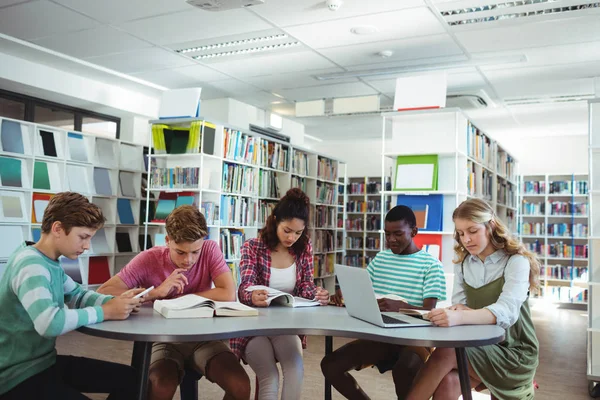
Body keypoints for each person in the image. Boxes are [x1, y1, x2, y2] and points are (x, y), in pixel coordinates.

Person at [0, 192, 143, 400]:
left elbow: (77, 295)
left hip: (43, 364)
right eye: (83, 237)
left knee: (132, 379)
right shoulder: (31, 265)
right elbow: (50, 323)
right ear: (57, 228)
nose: (86, 246)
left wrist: (118, 303)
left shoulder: (49, 262)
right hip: (17, 377)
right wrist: (105, 311)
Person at [98, 205, 250, 400]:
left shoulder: (210, 249)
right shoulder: (149, 258)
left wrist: (181, 300)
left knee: (241, 386)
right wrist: (156, 293)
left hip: (203, 338)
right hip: (164, 339)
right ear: (167, 240)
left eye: (195, 251)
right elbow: (105, 292)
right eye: (181, 252)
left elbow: (228, 293)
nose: (189, 260)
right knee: (162, 386)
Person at [406, 198, 540, 400]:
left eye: (472, 231)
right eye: (460, 233)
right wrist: (455, 314)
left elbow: (507, 312)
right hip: (479, 346)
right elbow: (461, 307)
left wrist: (461, 316)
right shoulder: (463, 264)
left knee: (448, 352)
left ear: (490, 226)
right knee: (449, 380)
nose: (466, 239)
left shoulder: (516, 262)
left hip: (515, 353)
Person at [322, 205, 447, 400]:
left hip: (414, 340)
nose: (391, 240)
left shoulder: (431, 265)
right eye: (387, 234)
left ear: (414, 232)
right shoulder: (380, 259)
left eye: (398, 234)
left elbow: (429, 310)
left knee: (404, 369)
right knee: (330, 365)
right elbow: (365, 293)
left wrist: (400, 307)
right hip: (380, 336)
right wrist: (345, 294)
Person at [230, 188, 329, 400]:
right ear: (275, 221)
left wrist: (317, 294)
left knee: (296, 370)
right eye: (287, 230)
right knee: (270, 376)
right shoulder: (253, 247)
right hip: (254, 327)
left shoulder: (304, 248)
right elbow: (244, 287)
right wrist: (252, 295)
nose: (292, 237)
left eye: (298, 232)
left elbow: (305, 287)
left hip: (286, 326)